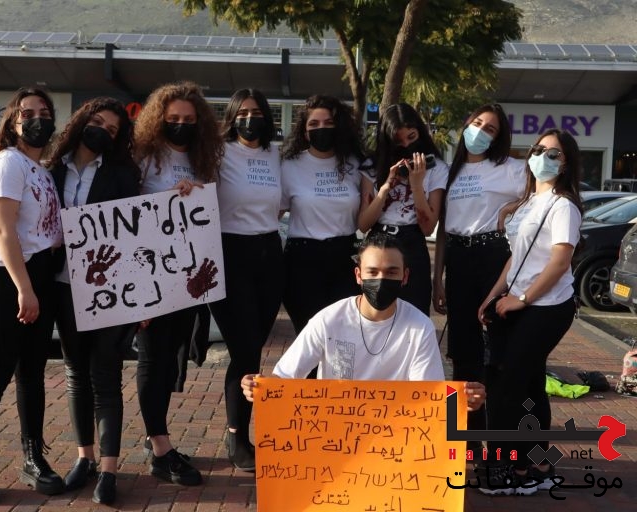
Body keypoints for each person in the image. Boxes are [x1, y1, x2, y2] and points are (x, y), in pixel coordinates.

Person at [0, 87, 63, 504]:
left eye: (44, 112)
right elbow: (3, 230)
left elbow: (45, 229)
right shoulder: (8, 163)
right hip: (3, 278)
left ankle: (33, 457)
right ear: (13, 122)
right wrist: (25, 289)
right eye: (27, 113)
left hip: (36, 274)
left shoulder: (42, 170)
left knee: (32, 374)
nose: (37, 119)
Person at [241, 235, 485, 410]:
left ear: (405, 277)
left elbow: (429, 395)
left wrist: (462, 401)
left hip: (397, 435)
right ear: (358, 275)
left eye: (391, 272)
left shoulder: (420, 327)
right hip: (334, 434)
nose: (381, 279)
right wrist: (258, 387)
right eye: (373, 272)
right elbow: (285, 377)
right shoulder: (328, 320)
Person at [476, 129, 582, 495]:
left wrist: (522, 299)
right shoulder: (527, 204)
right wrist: (493, 295)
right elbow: (516, 259)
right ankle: (536, 465)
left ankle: (507, 465)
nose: (543, 157)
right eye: (538, 150)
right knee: (531, 386)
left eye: (554, 153)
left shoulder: (563, 205)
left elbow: (560, 261)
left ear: (566, 164)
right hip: (519, 302)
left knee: (509, 386)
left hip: (547, 307)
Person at [47, 97, 141, 505]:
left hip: (108, 290)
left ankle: (108, 469)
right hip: (62, 285)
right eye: (98, 122)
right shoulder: (52, 168)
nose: (102, 130)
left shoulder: (123, 174)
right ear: (82, 121)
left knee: (106, 375)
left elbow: (137, 231)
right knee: (75, 374)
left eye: (113, 129)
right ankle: (84, 457)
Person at [132, 81, 223, 486]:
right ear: (158, 119)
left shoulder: (203, 158)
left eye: (188, 119)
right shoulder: (144, 157)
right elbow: (127, 213)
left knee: (170, 358)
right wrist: (167, 198)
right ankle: (161, 449)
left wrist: (199, 194)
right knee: (152, 359)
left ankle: (157, 435)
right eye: (173, 119)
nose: (181, 125)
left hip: (188, 275)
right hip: (151, 273)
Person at [431, 103, 525, 435]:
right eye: (477, 123)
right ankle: (465, 437)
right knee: (462, 349)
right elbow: (443, 229)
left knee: (496, 346)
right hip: (457, 260)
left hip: (493, 257)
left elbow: (544, 197)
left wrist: (512, 207)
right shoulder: (448, 171)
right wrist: (437, 278)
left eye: (490, 129)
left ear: (498, 137)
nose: (481, 131)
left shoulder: (511, 168)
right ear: (466, 124)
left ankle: (498, 432)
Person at [209, 88, 283, 471]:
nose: (250, 119)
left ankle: (240, 434)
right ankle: (237, 435)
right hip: (229, 252)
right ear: (232, 117)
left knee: (254, 346)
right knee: (245, 350)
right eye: (242, 112)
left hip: (269, 253)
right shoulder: (218, 153)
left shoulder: (276, 155)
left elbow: (283, 202)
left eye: (256, 112)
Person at [280, 95, 366, 338]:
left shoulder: (356, 164)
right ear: (305, 132)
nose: (322, 129)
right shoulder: (289, 165)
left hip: (345, 258)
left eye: (328, 123)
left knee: (343, 336)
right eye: (314, 124)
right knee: (310, 336)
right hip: (302, 261)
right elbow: (273, 212)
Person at [358, 103, 448, 315]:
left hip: (412, 241)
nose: (406, 144)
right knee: (375, 311)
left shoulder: (436, 168)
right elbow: (363, 224)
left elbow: (428, 228)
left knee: (414, 313)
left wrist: (416, 185)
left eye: (412, 136)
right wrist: (385, 188)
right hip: (378, 239)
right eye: (398, 141)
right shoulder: (372, 166)